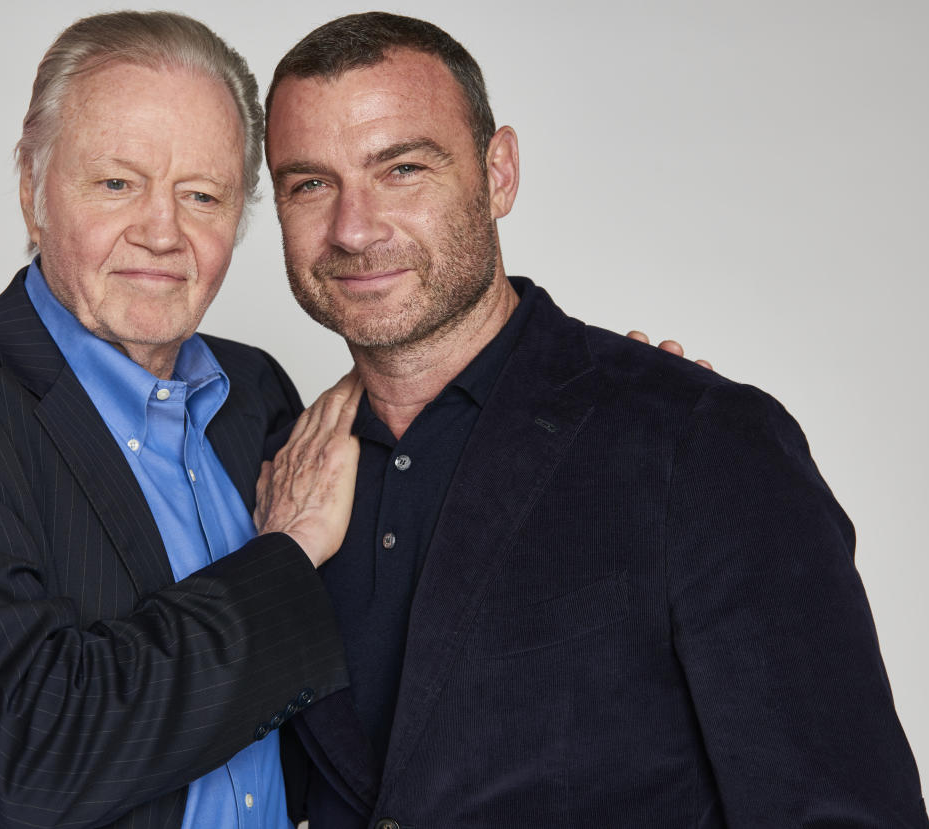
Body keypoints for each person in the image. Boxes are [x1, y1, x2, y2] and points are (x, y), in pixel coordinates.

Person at [262, 12, 928, 828]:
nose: (354, 228)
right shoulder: (271, 474)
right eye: (309, 184)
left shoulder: (699, 441)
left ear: (498, 172)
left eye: (401, 169)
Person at [0, 12, 363, 828]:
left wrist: (584, 408)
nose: (161, 231)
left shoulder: (255, 392)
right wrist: (285, 558)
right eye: (117, 183)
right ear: (34, 190)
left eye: (201, 195)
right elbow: (32, 753)